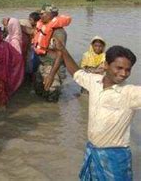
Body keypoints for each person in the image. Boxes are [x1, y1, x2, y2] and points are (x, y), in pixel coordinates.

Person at [54, 40, 140, 180]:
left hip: (116, 156)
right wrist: (63, 50)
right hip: (92, 150)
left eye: (128, 69)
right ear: (105, 65)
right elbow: (76, 72)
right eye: (119, 68)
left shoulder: (130, 93)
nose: (124, 73)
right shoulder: (94, 82)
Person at [33, 4, 71, 102]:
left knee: (52, 92)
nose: (40, 16)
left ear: (52, 15)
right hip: (43, 64)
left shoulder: (59, 32)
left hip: (53, 66)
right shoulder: (43, 27)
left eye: (43, 14)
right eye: (40, 14)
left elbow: (60, 54)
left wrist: (51, 75)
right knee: (38, 90)